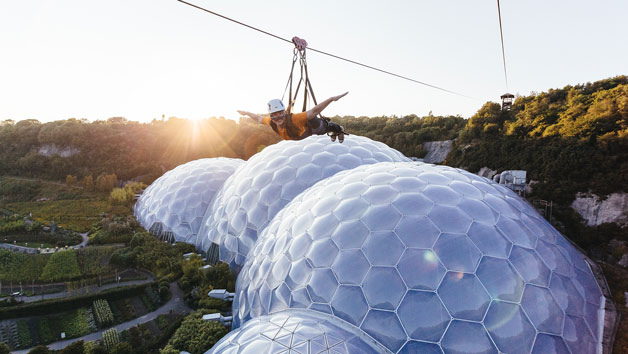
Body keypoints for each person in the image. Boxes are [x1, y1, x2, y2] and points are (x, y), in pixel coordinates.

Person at [238, 92, 349, 142]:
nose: (278, 118)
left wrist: (331, 99)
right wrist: (246, 113)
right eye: (274, 116)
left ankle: (338, 129)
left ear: (284, 113)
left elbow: (314, 111)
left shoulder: (295, 119)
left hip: (311, 129)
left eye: (280, 114)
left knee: (319, 124)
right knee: (313, 122)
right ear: (271, 116)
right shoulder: (270, 122)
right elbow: (258, 118)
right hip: (299, 134)